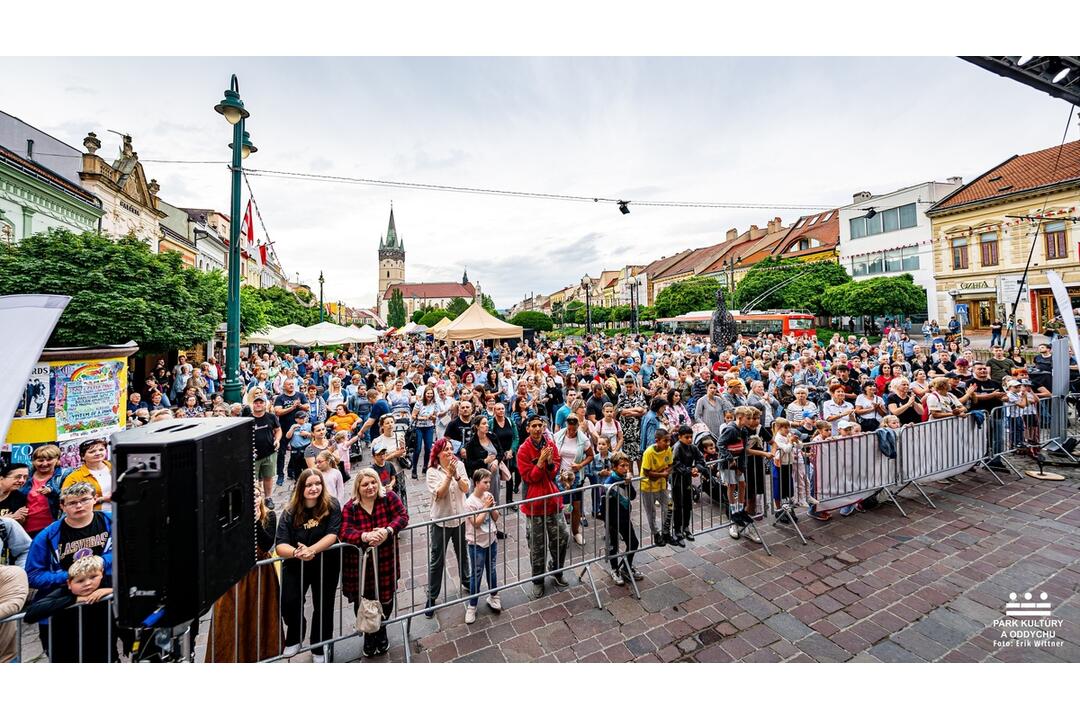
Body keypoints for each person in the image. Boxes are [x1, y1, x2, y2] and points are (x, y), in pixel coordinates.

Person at [205, 487, 281, 662]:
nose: (254, 499)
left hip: (260, 576)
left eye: (257, 495)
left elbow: (267, 543)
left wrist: (254, 521)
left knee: (258, 620)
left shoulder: (268, 516)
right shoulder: (230, 517)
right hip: (234, 579)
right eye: (250, 496)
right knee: (230, 622)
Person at [339, 468, 409, 658]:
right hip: (360, 565)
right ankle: (368, 635)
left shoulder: (389, 498)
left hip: (385, 560)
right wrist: (364, 535)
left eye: (373, 483)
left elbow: (403, 517)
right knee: (362, 601)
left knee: (386, 599)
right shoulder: (350, 507)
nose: (370, 487)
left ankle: (382, 630)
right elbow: (344, 531)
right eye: (365, 484)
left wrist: (387, 531)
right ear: (358, 487)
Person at [274, 469, 341, 662]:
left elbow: (332, 534)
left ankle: (319, 646)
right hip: (296, 565)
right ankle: (295, 634)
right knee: (289, 601)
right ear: (301, 487)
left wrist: (311, 550)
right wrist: (297, 553)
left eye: (317, 484)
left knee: (324, 606)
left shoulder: (332, 505)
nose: (314, 488)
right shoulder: (290, 511)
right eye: (309, 485)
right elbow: (280, 545)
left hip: (325, 564)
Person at [23, 554, 116, 662]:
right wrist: (74, 599)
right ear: (69, 583)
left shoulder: (106, 584)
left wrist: (111, 591)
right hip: (67, 650)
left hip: (102, 648)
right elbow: (31, 614)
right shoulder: (63, 592)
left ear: (102, 574)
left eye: (93, 577)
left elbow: (130, 589)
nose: (88, 583)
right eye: (80, 581)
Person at [516, 415, 568, 599]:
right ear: (528, 428)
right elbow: (529, 477)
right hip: (534, 504)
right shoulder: (523, 450)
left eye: (540, 425)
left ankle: (557, 569)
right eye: (534, 426)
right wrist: (539, 463)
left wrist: (549, 463)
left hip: (552, 500)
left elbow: (553, 472)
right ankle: (538, 581)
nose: (538, 429)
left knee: (562, 536)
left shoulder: (550, 445)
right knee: (537, 545)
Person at [423, 438, 471, 617]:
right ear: (438, 453)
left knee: (463, 553)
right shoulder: (432, 472)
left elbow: (466, 488)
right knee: (437, 560)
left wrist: (456, 475)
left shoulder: (460, 465)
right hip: (441, 521)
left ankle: (467, 582)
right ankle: (432, 596)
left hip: (459, 519)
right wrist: (449, 475)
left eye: (451, 449)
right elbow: (439, 494)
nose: (450, 452)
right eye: (445, 449)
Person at [462, 468, 501, 625]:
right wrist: (485, 507)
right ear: (476, 483)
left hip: (491, 538)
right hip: (477, 543)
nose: (488, 485)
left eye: (489, 482)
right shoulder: (469, 502)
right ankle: (472, 606)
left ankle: (494, 596)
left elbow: (496, 517)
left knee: (491, 568)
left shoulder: (489, 496)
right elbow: (476, 523)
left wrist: (492, 508)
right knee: (476, 574)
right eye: (485, 482)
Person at [718, 407, 758, 542]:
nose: (751, 421)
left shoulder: (744, 430)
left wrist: (741, 466)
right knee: (732, 486)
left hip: (738, 464)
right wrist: (729, 459)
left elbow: (743, 450)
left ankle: (740, 510)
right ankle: (734, 515)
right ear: (740, 418)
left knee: (742, 484)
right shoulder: (730, 429)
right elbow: (720, 444)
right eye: (748, 418)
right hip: (729, 464)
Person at [553, 414, 594, 546]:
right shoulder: (558, 436)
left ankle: (576, 532)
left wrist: (580, 465)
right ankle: (562, 533)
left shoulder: (583, 439)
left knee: (576, 506)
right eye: (569, 428)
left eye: (573, 429)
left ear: (577, 427)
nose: (571, 432)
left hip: (576, 476)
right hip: (560, 475)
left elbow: (590, 456)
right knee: (561, 506)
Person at [603, 451, 642, 586]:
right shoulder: (609, 483)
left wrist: (628, 484)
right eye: (622, 466)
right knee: (613, 545)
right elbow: (605, 505)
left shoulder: (625, 479)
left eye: (627, 465)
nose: (626, 468)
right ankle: (615, 570)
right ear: (614, 467)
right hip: (612, 519)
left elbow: (632, 496)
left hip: (624, 517)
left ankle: (626, 567)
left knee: (633, 542)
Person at [640, 427, 676, 547]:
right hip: (648, 487)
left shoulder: (668, 450)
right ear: (657, 440)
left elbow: (671, 465)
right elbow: (646, 472)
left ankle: (666, 532)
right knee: (651, 512)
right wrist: (662, 473)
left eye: (669, 441)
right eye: (665, 441)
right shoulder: (649, 453)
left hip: (662, 485)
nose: (668, 444)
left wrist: (666, 471)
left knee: (669, 507)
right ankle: (656, 533)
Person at [671, 424, 707, 542]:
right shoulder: (676, 447)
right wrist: (690, 471)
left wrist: (697, 468)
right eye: (686, 437)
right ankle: (677, 530)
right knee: (678, 506)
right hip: (677, 480)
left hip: (687, 479)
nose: (690, 439)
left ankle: (686, 527)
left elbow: (701, 459)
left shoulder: (692, 447)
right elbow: (675, 463)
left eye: (691, 437)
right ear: (680, 437)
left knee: (687, 504)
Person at [273, 378, 309, 485]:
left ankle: (292, 472)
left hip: (299, 429)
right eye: (289, 384)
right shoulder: (280, 398)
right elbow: (278, 412)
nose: (291, 386)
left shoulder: (300, 395)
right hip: (285, 428)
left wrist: (300, 406)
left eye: (293, 384)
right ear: (284, 386)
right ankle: (280, 475)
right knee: (281, 453)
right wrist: (292, 407)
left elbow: (306, 407)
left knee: (298, 451)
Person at [60, 438, 112, 511]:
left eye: (101, 450)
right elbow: (66, 502)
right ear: (82, 456)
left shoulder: (116, 467)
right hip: (94, 517)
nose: (98, 453)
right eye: (92, 452)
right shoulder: (74, 477)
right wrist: (103, 499)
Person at [410, 385, 438, 479]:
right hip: (419, 427)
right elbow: (413, 415)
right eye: (428, 393)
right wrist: (422, 418)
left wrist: (432, 417)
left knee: (428, 448)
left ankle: (425, 466)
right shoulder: (420, 403)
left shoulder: (434, 403)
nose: (429, 395)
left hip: (429, 427)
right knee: (417, 449)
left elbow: (435, 416)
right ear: (425, 394)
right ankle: (414, 469)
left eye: (431, 393)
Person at [285, 410, 313, 482]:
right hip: (295, 449)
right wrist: (292, 429)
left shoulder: (309, 426)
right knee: (296, 467)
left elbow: (314, 435)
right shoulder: (293, 426)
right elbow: (287, 436)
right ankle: (297, 481)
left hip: (305, 447)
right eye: (301, 418)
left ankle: (307, 480)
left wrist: (307, 434)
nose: (303, 419)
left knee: (306, 466)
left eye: (304, 417)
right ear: (296, 419)